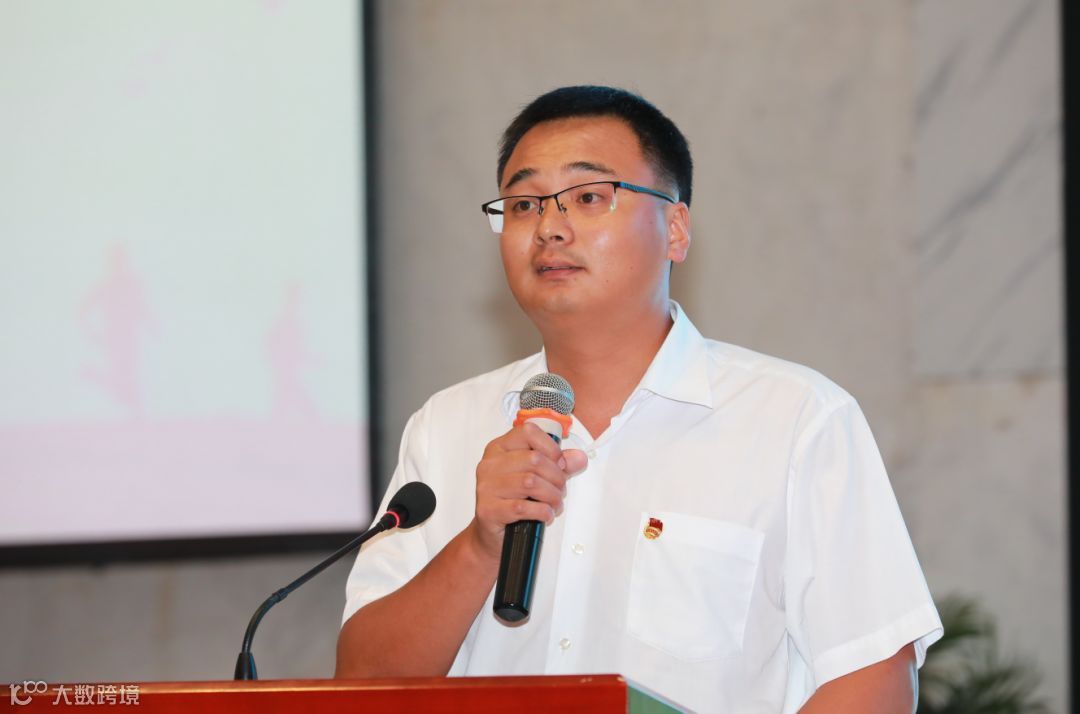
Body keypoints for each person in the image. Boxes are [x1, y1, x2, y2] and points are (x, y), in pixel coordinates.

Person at [336, 85, 942, 712]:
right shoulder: (445, 428)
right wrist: (480, 544)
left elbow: (872, 678)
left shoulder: (795, 420)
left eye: (588, 197)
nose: (549, 227)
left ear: (675, 229)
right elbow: (361, 684)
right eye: (523, 205)